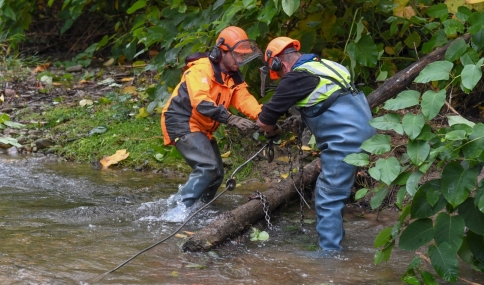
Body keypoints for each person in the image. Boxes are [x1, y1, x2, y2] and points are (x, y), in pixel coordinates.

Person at [257, 37, 376, 252]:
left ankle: (330, 255)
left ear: (278, 64)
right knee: (336, 191)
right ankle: (337, 242)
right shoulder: (328, 65)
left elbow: (264, 121)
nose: (281, 77)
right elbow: (329, 101)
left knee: (328, 194)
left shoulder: (295, 78)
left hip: (345, 138)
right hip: (366, 132)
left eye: (279, 73)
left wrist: (274, 131)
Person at [161, 26, 263, 209]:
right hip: (180, 121)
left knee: (216, 174)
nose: (241, 60)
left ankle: (200, 208)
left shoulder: (232, 77)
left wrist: (266, 117)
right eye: (237, 55)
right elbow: (201, 103)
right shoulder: (200, 70)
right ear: (221, 52)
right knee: (207, 166)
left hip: (202, 127)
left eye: (243, 56)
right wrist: (231, 119)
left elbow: (245, 100)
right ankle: (178, 212)